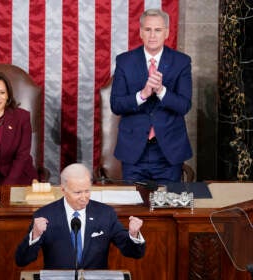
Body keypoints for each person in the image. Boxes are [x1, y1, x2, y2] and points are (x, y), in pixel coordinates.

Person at [110, 8, 193, 184]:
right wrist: (143, 94)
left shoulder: (181, 62)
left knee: (167, 208)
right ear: (140, 32)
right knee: (132, 208)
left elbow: (184, 106)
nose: (152, 35)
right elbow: (116, 105)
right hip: (134, 152)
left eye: (158, 30)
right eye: (148, 30)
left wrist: (161, 91)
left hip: (169, 152)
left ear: (167, 33)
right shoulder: (124, 61)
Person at [15, 163, 145, 269]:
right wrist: (35, 235)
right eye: (77, 192)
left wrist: (133, 235)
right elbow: (21, 260)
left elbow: (134, 252)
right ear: (63, 190)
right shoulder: (45, 215)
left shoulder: (105, 214)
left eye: (87, 191)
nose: (84, 198)